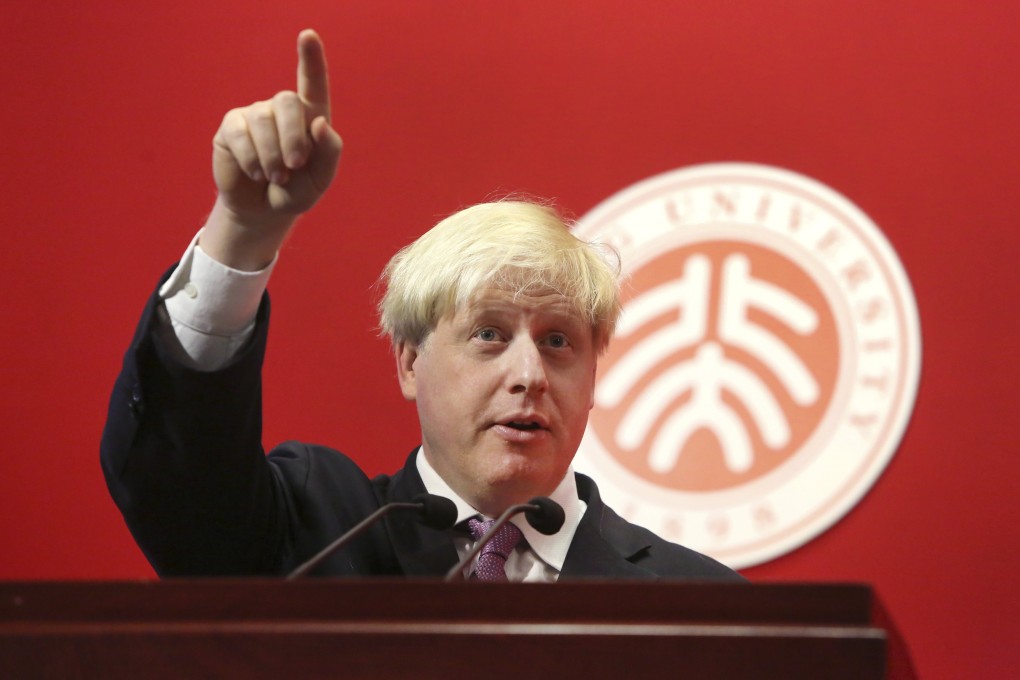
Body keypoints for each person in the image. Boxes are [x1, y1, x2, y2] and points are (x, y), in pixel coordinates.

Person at [101, 29, 742, 582]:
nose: (530, 376)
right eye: (489, 334)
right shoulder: (317, 532)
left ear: (594, 375)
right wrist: (242, 231)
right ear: (409, 362)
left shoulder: (701, 604)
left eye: (558, 341)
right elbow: (176, 484)